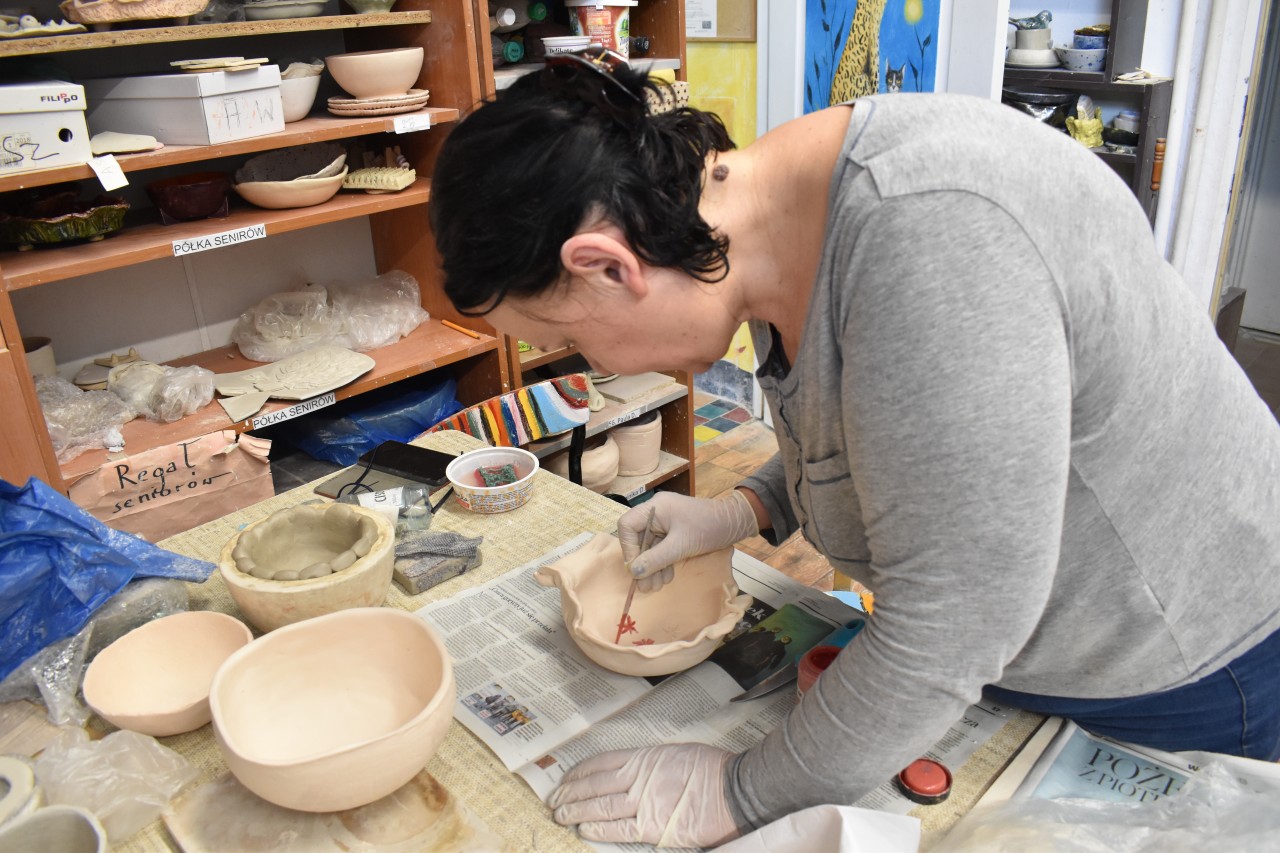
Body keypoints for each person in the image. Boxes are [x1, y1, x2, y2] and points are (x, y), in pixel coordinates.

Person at [430, 47, 1280, 848]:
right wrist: (747, 506)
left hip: (1178, 667)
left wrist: (742, 791)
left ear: (607, 265)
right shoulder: (771, 227)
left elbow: (958, 618)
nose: (591, 363)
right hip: (1017, 649)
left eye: (567, 339)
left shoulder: (929, 235)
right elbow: (906, 439)